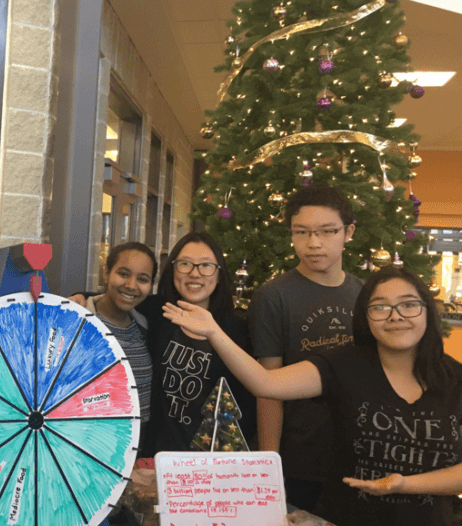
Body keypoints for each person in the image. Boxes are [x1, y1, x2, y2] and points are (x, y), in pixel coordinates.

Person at [164, 266, 462, 526]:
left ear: (427, 310)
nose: (395, 316)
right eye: (380, 307)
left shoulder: (456, 379)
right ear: (366, 317)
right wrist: (214, 332)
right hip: (342, 518)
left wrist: (403, 485)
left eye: (409, 305)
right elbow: (266, 383)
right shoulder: (344, 365)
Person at [249, 185, 363, 510]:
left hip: (357, 456)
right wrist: (268, 468)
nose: (313, 243)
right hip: (298, 461)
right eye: (302, 232)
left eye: (327, 232)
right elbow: (268, 386)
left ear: (348, 232)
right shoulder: (273, 297)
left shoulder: (366, 295)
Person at [139, 232, 255, 453]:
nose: (195, 273)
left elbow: (247, 405)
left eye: (206, 266)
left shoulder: (237, 331)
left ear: (219, 274)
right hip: (156, 456)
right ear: (173, 269)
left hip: (211, 461)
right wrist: (83, 296)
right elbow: (118, 299)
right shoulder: (157, 311)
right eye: (185, 264)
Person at [83, 242, 156, 448]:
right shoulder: (79, 321)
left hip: (137, 449)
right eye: (123, 274)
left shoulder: (146, 327)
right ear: (106, 274)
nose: (131, 285)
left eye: (142, 279)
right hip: (88, 446)